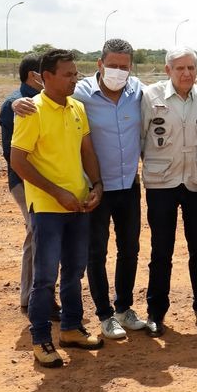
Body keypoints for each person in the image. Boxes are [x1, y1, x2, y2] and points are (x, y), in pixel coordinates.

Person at [11, 48, 104, 367]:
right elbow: (18, 161)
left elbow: (87, 150)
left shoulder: (77, 107)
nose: (74, 79)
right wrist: (56, 192)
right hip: (49, 208)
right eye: (67, 74)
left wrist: (97, 184)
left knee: (75, 272)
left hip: (78, 204)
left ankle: (71, 329)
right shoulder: (30, 111)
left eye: (76, 73)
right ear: (45, 77)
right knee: (45, 277)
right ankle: (40, 339)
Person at [72, 39, 148, 339]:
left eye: (124, 67)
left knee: (130, 249)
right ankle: (104, 315)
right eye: (112, 65)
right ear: (99, 64)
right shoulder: (80, 94)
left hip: (129, 184)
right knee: (97, 251)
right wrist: (18, 101)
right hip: (96, 188)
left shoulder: (137, 91)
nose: (118, 71)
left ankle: (123, 308)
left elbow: (177, 80)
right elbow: (44, 99)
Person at [140, 48, 197, 335]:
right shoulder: (151, 96)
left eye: (191, 68)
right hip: (162, 183)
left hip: (196, 182)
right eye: (179, 68)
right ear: (167, 70)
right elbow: (140, 137)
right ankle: (156, 312)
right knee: (161, 250)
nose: (186, 73)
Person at [0, 52, 45, 316]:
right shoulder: (17, 103)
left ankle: (30, 297)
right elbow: (12, 154)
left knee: (36, 234)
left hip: (33, 180)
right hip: (25, 181)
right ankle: (35, 299)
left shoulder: (35, 100)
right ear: (35, 76)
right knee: (38, 234)